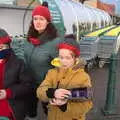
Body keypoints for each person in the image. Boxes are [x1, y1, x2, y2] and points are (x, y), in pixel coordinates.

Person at [36, 38, 93, 120]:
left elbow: (87, 104)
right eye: (61, 57)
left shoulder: (84, 77)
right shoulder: (51, 73)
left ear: (76, 59)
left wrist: (65, 106)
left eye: (68, 58)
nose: (63, 61)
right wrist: (52, 93)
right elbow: (39, 91)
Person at [24, 2, 62, 119]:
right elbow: (24, 56)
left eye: (42, 19)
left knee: (49, 111)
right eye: (35, 19)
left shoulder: (55, 42)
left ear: (48, 22)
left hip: (46, 85)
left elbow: (61, 67)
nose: (38, 22)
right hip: (30, 83)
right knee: (31, 111)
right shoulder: (30, 37)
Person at [0, 28, 32, 120]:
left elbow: (27, 85)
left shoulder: (18, 63)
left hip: (10, 104)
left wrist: (8, 93)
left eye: (1, 47)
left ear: (8, 46)